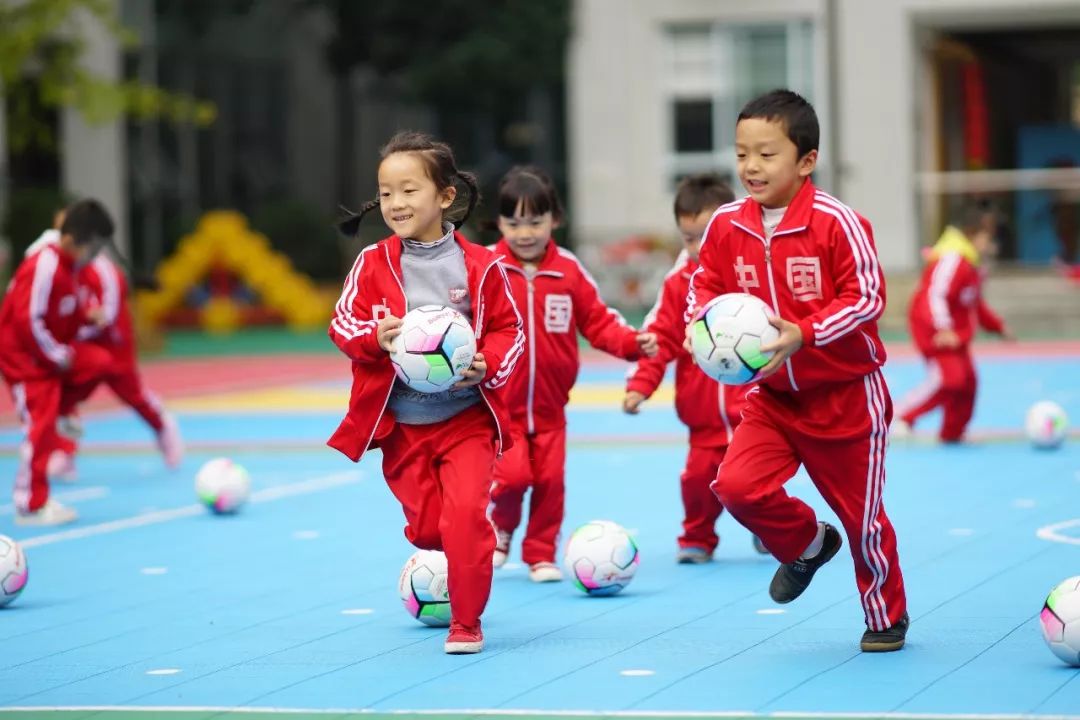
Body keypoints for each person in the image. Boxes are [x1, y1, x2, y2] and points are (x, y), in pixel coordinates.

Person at [684, 89, 909, 652]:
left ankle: (886, 616)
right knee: (735, 487)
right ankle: (808, 544)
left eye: (767, 154)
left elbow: (867, 297)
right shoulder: (726, 225)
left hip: (845, 397)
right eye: (742, 154)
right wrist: (699, 326)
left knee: (862, 520)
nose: (751, 167)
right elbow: (704, 285)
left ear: (806, 160)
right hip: (774, 399)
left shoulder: (838, 222)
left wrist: (805, 332)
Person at [327, 131, 524, 655]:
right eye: (386, 193)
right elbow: (342, 324)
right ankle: (452, 545)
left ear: (445, 196)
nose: (396, 203)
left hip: (467, 421)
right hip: (403, 429)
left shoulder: (480, 266)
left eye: (409, 190)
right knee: (428, 530)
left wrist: (488, 363)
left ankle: (466, 622)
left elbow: (510, 329)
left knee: (464, 522)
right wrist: (374, 338)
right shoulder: (372, 263)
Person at [487, 166, 658, 582]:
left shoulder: (568, 271)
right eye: (513, 223)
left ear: (555, 220)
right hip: (500, 408)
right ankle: (501, 527)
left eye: (535, 222)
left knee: (550, 483)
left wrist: (632, 344)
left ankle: (540, 554)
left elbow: (598, 321)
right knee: (511, 480)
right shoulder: (487, 268)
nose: (524, 233)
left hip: (551, 409)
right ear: (499, 224)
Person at [624, 173, 767, 562]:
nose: (700, 247)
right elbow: (659, 337)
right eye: (689, 238)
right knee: (698, 482)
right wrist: (640, 384)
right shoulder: (678, 284)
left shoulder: (750, 271)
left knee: (759, 478)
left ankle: (769, 527)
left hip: (754, 410)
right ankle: (697, 536)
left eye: (708, 235)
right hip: (703, 418)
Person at [23, 211, 183, 480]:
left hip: (112, 342)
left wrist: (78, 322)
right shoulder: (51, 258)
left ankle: (162, 425)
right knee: (60, 390)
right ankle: (64, 450)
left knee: (132, 393)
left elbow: (105, 316)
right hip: (77, 341)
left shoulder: (104, 271)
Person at [0, 200, 115, 525]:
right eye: (92, 248)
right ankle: (31, 505)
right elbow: (28, 320)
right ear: (73, 239)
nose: (94, 256)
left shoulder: (71, 267)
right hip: (25, 360)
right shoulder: (44, 265)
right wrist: (56, 355)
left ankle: (62, 411)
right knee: (40, 428)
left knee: (100, 362)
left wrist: (87, 317)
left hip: (50, 354)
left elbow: (62, 310)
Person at [895, 201, 1013, 443]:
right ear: (973, 233)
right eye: (988, 236)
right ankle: (901, 417)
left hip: (956, 334)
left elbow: (974, 302)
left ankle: (953, 431)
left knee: (968, 382)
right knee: (950, 379)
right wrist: (943, 327)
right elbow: (934, 294)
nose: (991, 243)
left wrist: (997, 326)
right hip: (935, 330)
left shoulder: (972, 264)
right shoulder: (952, 259)